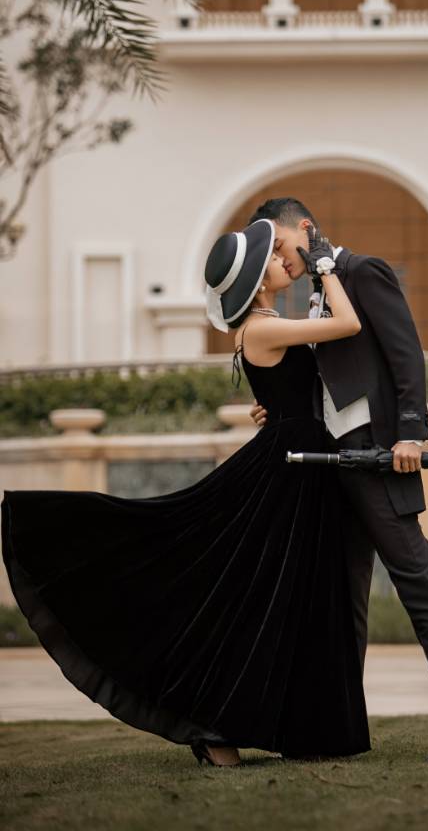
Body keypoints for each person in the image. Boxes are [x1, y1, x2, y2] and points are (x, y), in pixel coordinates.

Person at [1, 218, 371, 769]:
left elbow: (298, 384)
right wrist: (324, 264)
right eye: (272, 259)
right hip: (290, 472)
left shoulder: (265, 326)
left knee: (291, 597)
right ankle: (215, 726)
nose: (281, 262)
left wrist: (277, 405)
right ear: (256, 281)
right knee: (260, 597)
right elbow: (348, 324)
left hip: (298, 462)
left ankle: (286, 728)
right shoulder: (260, 328)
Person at [247, 198, 428, 764]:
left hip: (379, 456)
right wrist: (279, 409)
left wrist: (411, 434)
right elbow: (334, 377)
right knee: (344, 605)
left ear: (305, 229)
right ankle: (335, 730)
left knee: (420, 589)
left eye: (280, 245)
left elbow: (407, 356)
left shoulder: (364, 272)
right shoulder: (317, 294)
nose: (278, 259)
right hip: (335, 467)